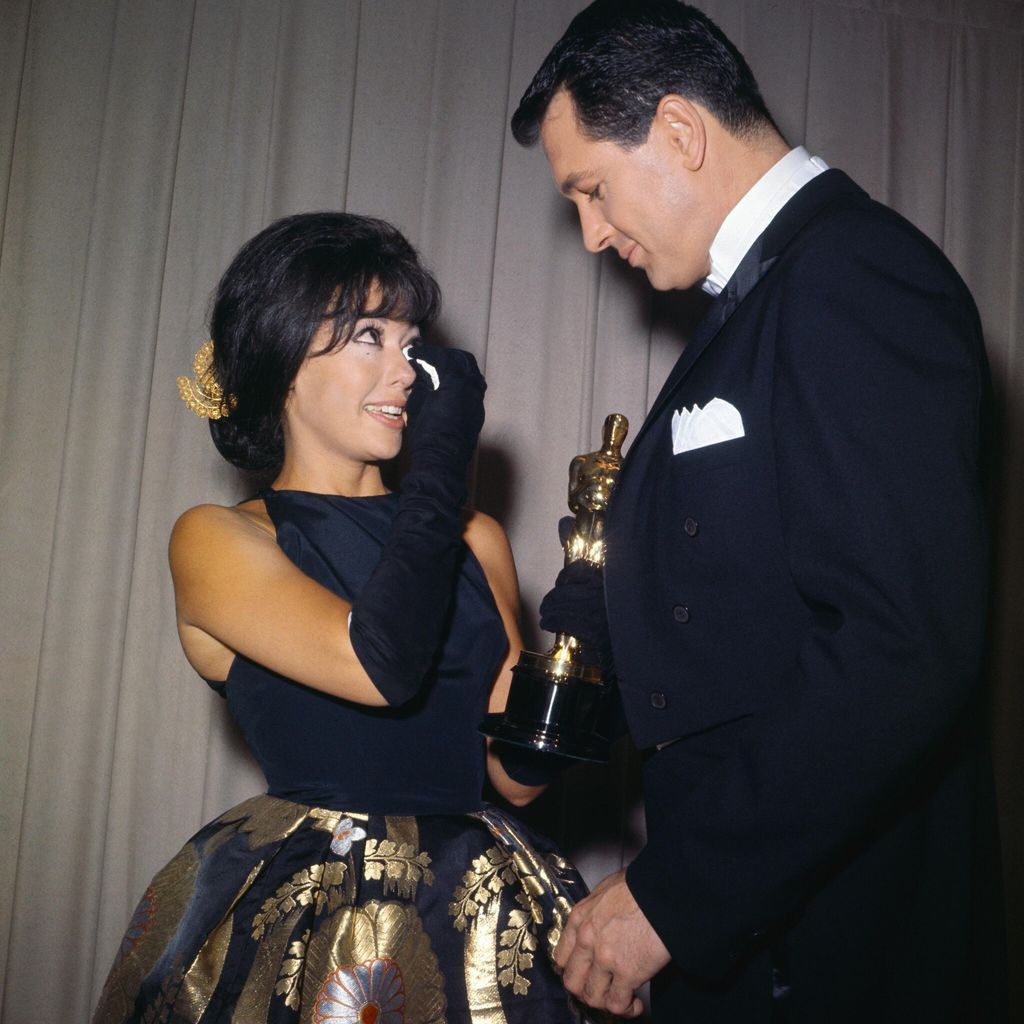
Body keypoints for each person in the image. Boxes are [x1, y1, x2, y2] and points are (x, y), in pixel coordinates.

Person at [512, 1, 1006, 1021]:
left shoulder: (849, 273)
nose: (592, 233)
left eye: (591, 190)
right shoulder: (767, 296)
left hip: (832, 954)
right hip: (768, 939)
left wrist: (672, 894)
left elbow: (899, 643)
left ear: (680, 132)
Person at [91, 212, 587, 1023]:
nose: (409, 371)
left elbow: (516, 781)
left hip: (482, 906)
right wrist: (440, 474)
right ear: (283, 360)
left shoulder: (475, 539)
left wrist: (589, 642)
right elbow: (376, 665)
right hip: (312, 914)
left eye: (413, 340)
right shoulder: (222, 537)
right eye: (370, 336)